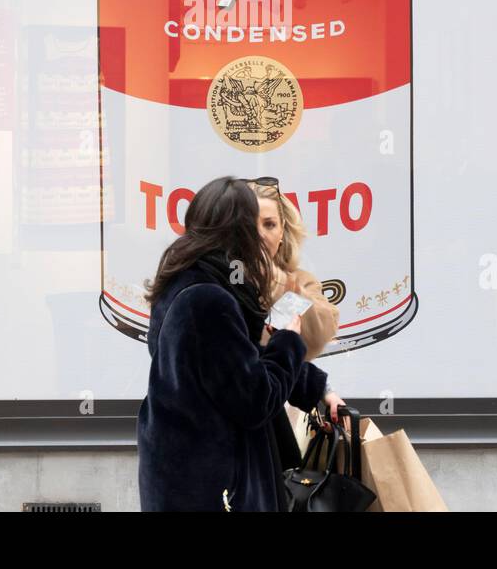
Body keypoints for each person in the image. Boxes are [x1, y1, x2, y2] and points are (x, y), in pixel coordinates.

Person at [136, 176, 345, 511]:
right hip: (214, 487)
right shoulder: (208, 299)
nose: (259, 236)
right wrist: (289, 339)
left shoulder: (190, 281)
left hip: (188, 477)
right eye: (252, 226)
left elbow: (238, 361)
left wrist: (317, 388)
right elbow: (254, 397)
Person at [249, 179, 344, 461]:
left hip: (276, 419)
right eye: (252, 225)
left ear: (283, 232)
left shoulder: (298, 282)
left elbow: (318, 333)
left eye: (269, 224)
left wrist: (324, 391)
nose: (261, 234)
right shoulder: (223, 282)